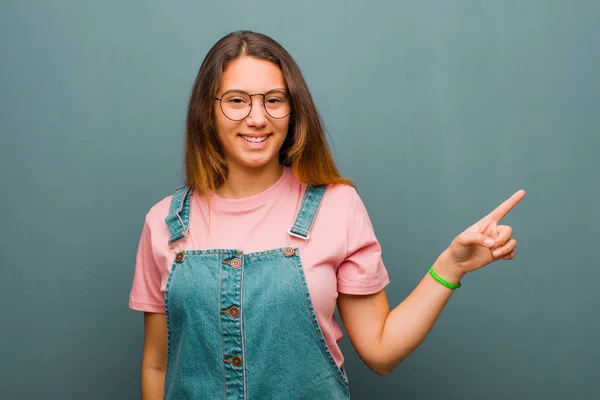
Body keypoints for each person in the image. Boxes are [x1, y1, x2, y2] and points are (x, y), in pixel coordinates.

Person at [129, 30, 525, 399]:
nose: (257, 117)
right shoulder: (163, 222)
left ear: (292, 110)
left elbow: (381, 351)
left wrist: (450, 267)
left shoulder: (337, 206)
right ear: (208, 111)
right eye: (236, 100)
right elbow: (157, 364)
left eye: (274, 99)